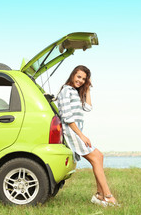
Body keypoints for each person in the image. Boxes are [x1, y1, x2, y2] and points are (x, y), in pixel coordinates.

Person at [57, 65, 119, 207]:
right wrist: (82, 136)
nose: (80, 81)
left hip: (76, 131)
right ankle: (107, 196)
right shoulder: (66, 90)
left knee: (99, 156)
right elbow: (67, 117)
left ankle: (99, 195)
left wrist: (88, 88)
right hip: (71, 131)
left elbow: (88, 107)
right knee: (96, 157)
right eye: (79, 77)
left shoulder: (75, 91)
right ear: (73, 75)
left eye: (84, 79)